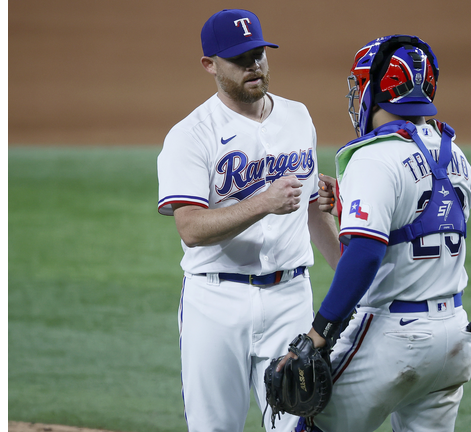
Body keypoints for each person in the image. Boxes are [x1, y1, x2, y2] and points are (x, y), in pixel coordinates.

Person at [278, 35, 471, 432]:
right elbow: (419, 223)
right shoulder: (454, 153)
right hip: (454, 335)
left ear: (377, 89)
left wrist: (317, 335)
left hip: (394, 338)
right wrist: (347, 207)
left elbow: (367, 254)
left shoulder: (373, 157)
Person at [156, 9, 340, 432]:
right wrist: (262, 203)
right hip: (215, 302)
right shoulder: (191, 135)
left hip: (290, 298)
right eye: (240, 59)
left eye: (258, 54)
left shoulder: (298, 116)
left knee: (297, 426)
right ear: (210, 65)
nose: (253, 66)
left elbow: (311, 209)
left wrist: (348, 273)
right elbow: (190, 228)